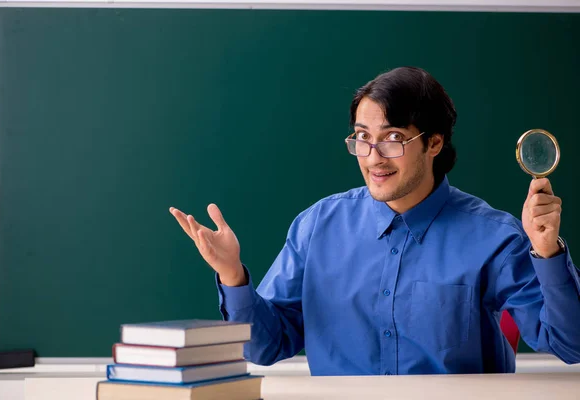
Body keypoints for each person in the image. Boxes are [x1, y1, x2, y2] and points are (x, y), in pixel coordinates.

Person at [169, 66, 580, 375]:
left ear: (434, 142)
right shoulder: (317, 227)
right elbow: (265, 347)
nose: (374, 157)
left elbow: (571, 346)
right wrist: (232, 276)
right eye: (363, 137)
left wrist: (546, 252)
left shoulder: (494, 236)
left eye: (393, 138)